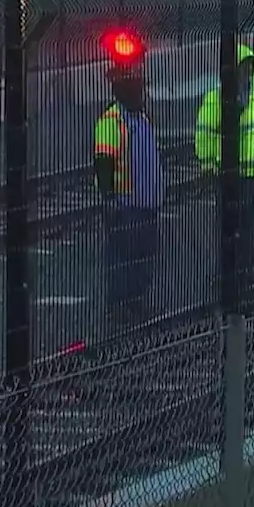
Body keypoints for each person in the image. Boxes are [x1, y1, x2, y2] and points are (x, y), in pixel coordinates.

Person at [93, 61, 165, 325]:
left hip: (146, 204)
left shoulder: (141, 119)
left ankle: (137, 301)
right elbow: (104, 161)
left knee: (143, 257)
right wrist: (109, 198)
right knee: (122, 259)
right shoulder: (112, 121)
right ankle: (119, 306)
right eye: (138, 91)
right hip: (125, 205)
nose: (143, 95)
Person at [195, 43, 254, 281]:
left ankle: (249, 274)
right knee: (229, 229)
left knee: (251, 229)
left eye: (251, 66)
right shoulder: (217, 98)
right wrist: (208, 164)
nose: (248, 71)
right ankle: (226, 276)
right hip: (231, 175)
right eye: (243, 66)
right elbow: (204, 132)